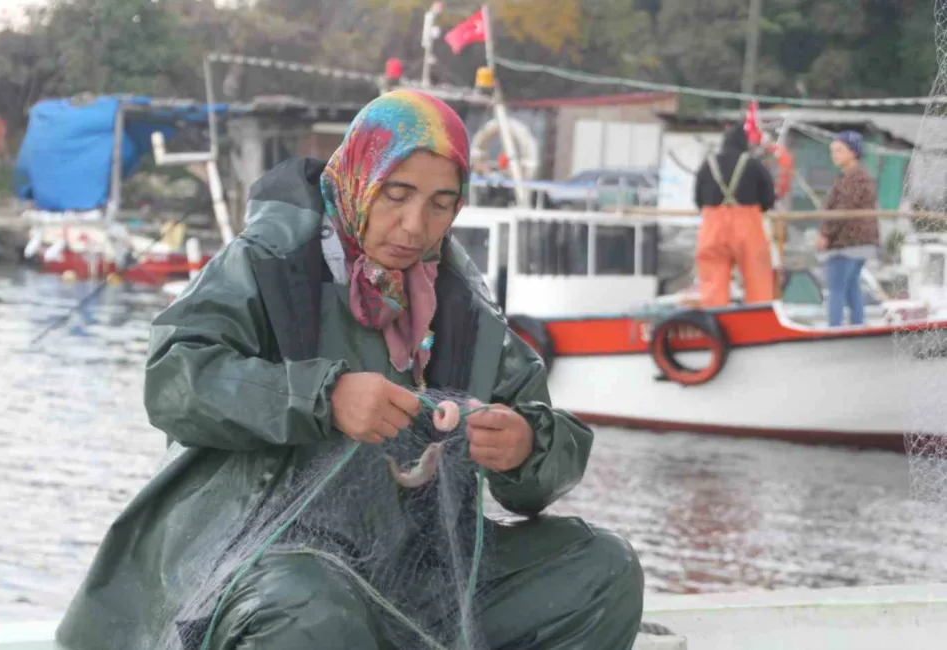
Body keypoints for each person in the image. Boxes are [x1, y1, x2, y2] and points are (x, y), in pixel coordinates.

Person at [54, 89, 643, 650]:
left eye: (442, 203)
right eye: (397, 193)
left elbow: (552, 449)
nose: (416, 225)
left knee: (600, 569)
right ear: (360, 177)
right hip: (260, 566)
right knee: (311, 612)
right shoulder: (270, 265)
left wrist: (525, 447)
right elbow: (173, 379)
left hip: (417, 582)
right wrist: (323, 397)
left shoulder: (463, 304)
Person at [693, 123, 777, 307]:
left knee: (712, 280)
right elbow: (769, 198)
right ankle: (759, 319)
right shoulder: (754, 165)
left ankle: (714, 322)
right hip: (747, 223)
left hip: (712, 224)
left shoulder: (708, 164)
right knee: (758, 277)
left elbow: (698, 199)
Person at [817, 130, 879, 327]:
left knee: (835, 289)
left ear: (852, 152)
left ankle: (834, 329)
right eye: (832, 151)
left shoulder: (855, 178)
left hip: (847, 243)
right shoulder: (854, 177)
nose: (834, 155)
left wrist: (825, 234)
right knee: (852, 288)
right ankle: (858, 326)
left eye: (839, 150)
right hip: (860, 243)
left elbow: (843, 210)